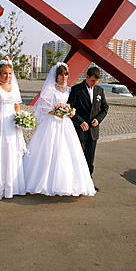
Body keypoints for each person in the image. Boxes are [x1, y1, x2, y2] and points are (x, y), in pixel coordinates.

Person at [23, 62, 96, 197]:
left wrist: (70, 111)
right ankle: (44, 182)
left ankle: (67, 183)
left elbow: (72, 105)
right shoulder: (51, 89)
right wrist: (56, 111)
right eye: (61, 75)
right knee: (49, 150)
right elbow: (43, 107)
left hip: (65, 123)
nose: (63, 78)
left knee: (66, 151)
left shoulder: (69, 90)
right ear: (56, 76)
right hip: (52, 122)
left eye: (65, 75)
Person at [0, 57, 26, 200]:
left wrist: (21, 119)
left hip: (12, 124)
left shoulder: (14, 87)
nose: (7, 76)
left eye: (9, 73)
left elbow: (16, 105)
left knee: (11, 152)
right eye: (4, 73)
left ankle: (12, 186)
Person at [68, 66, 109, 176]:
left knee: (90, 160)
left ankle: (88, 182)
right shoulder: (76, 90)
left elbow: (105, 107)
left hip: (93, 131)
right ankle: (76, 181)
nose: (94, 83)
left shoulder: (100, 90)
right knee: (77, 157)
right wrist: (80, 121)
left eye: (96, 81)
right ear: (87, 77)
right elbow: (69, 108)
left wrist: (98, 119)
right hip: (80, 130)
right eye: (92, 80)